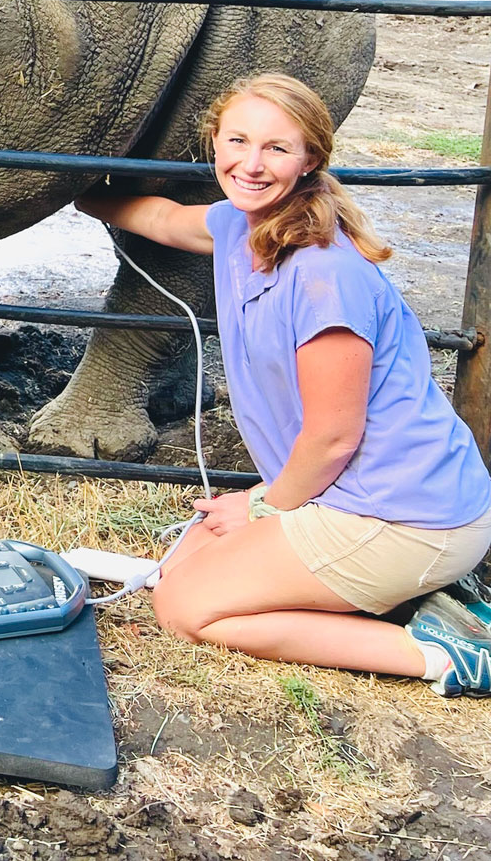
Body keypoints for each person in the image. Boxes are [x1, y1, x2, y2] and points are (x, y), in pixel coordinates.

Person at [77, 73, 491, 694]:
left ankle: (443, 656)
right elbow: (162, 218)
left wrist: (260, 504)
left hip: (405, 516)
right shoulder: (239, 227)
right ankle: (412, 596)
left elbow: (331, 437)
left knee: (185, 609)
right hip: (357, 496)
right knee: (185, 559)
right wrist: (72, 192)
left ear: (310, 160)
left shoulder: (325, 277)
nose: (250, 162)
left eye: (276, 148)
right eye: (237, 140)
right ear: (214, 144)